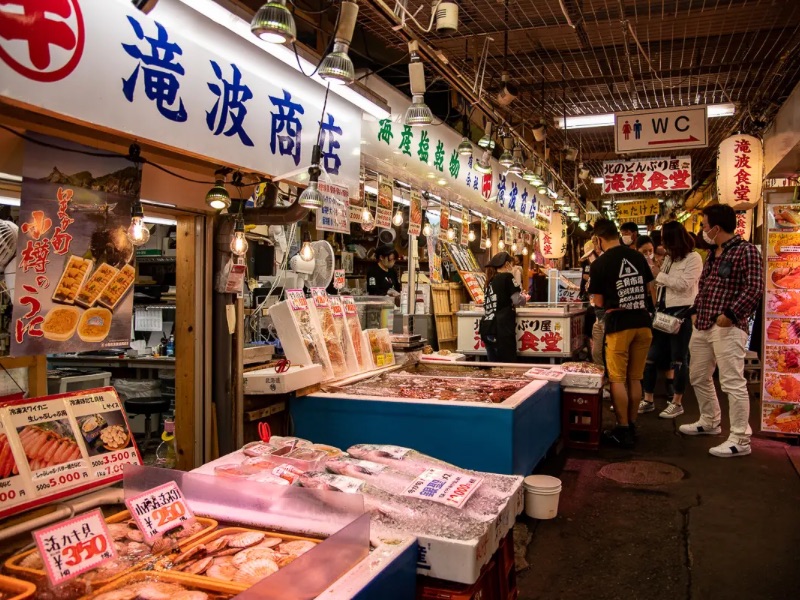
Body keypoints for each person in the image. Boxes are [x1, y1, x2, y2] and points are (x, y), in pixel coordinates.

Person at [680, 204, 764, 457]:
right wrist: (694, 310)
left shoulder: (746, 251)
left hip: (728, 326)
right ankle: (710, 421)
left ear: (716, 228)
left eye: (704, 225)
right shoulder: (713, 253)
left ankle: (740, 438)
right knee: (697, 375)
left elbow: (754, 288)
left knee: (732, 382)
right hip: (703, 324)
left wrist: (731, 314)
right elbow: (704, 286)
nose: (702, 230)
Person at [588, 219, 655, 448]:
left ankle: (623, 428)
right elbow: (649, 288)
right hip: (643, 323)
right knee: (635, 377)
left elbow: (597, 301)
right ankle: (633, 423)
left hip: (619, 324)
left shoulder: (599, 264)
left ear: (598, 240)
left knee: (617, 379)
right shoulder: (637, 256)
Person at [639, 221, 703, 418]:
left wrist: (660, 275)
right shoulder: (669, 259)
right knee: (650, 357)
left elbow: (684, 285)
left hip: (681, 314)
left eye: (666, 241)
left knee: (678, 359)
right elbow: (659, 281)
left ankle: (677, 401)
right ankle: (647, 399)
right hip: (663, 312)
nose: (663, 246)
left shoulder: (693, 258)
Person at [480, 252, 528, 363]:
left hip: (487, 328)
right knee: (507, 368)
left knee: (494, 368)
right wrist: (524, 299)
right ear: (507, 264)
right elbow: (517, 300)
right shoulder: (507, 277)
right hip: (501, 330)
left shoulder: (490, 280)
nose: (513, 267)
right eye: (512, 264)